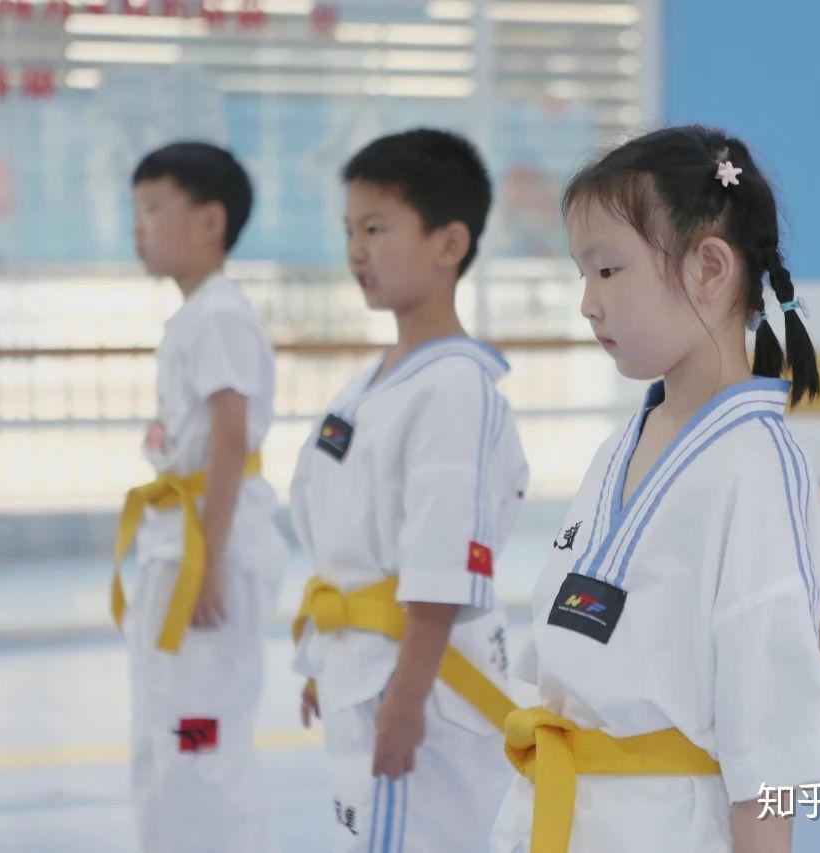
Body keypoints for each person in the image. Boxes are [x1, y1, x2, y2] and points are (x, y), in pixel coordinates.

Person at [491, 125, 820, 853]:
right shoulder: (619, 445)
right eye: (581, 273)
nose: (587, 303)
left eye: (609, 270)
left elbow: (768, 730)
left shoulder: (757, 469)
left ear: (709, 268)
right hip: (555, 811)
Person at [290, 128, 529, 852]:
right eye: (348, 230)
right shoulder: (374, 381)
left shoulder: (455, 388)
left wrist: (407, 693)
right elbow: (343, 537)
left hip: (417, 679)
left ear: (449, 242)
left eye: (376, 228)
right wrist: (327, 653)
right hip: (367, 668)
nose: (356, 250)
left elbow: (441, 556)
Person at [115, 141, 288, 852]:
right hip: (177, 544)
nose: (139, 227)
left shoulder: (219, 315)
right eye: (136, 211)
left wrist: (208, 563)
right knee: (168, 733)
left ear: (211, 220)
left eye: (154, 208)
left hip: (202, 554)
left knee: (199, 738)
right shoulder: (195, 316)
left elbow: (228, 438)